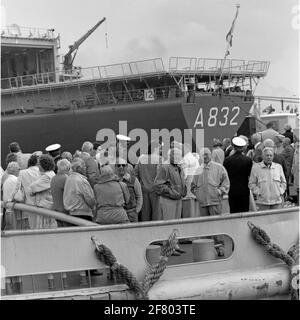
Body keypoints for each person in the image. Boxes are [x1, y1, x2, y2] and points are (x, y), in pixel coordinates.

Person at [191, 148, 230, 216]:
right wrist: (199, 195)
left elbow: (226, 182)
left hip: (215, 202)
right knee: (204, 224)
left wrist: (220, 191)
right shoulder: (198, 170)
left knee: (216, 223)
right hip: (203, 204)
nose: (205, 157)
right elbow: (193, 186)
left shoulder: (219, 167)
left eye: (206, 154)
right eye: (203, 155)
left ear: (211, 155)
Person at [154, 148, 186, 220]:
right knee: (169, 226)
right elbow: (158, 185)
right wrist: (172, 192)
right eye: (175, 155)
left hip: (178, 200)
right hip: (168, 200)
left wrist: (183, 191)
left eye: (179, 155)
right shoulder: (164, 166)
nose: (178, 157)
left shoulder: (179, 167)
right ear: (170, 156)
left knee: (176, 226)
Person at [134, 140, 162, 221]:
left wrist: (140, 185)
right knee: (156, 216)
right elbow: (161, 176)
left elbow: (135, 174)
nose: (161, 151)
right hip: (156, 191)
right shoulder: (160, 159)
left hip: (143, 190)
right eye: (160, 148)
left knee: (145, 216)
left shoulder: (141, 158)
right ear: (155, 148)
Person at [224, 137, 253, 213]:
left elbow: (225, 176)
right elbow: (251, 175)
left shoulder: (227, 160)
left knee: (233, 211)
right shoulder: (248, 160)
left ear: (233, 147)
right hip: (244, 190)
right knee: (244, 211)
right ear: (243, 148)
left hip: (232, 190)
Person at [13, 154, 41, 229]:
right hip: (42, 204)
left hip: (29, 204)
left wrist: (10, 198)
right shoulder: (42, 172)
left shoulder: (22, 173)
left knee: (32, 226)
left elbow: (17, 188)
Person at [29, 154, 57, 229]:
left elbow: (32, 188)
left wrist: (33, 191)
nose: (38, 166)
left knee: (45, 231)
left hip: (46, 207)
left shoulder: (47, 176)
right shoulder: (50, 174)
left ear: (44, 164)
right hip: (47, 206)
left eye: (39, 164)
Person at [115, 158, 142, 222]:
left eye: (123, 165)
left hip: (132, 213)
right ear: (115, 167)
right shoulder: (113, 181)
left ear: (127, 166)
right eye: (118, 165)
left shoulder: (134, 180)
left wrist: (137, 210)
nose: (121, 167)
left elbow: (139, 196)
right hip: (119, 213)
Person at [51, 159, 72, 226]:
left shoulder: (53, 178)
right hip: (64, 210)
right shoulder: (66, 178)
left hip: (56, 208)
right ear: (67, 168)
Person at [2, 162, 20, 230]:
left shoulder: (7, 180)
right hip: (14, 212)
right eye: (19, 169)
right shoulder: (15, 180)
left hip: (8, 211)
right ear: (15, 170)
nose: (19, 171)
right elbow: (19, 196)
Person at [291, 140, 299, 204]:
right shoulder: (295, 152)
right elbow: (294, 163)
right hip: (297, 175)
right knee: (298, 191)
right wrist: (293, 170)